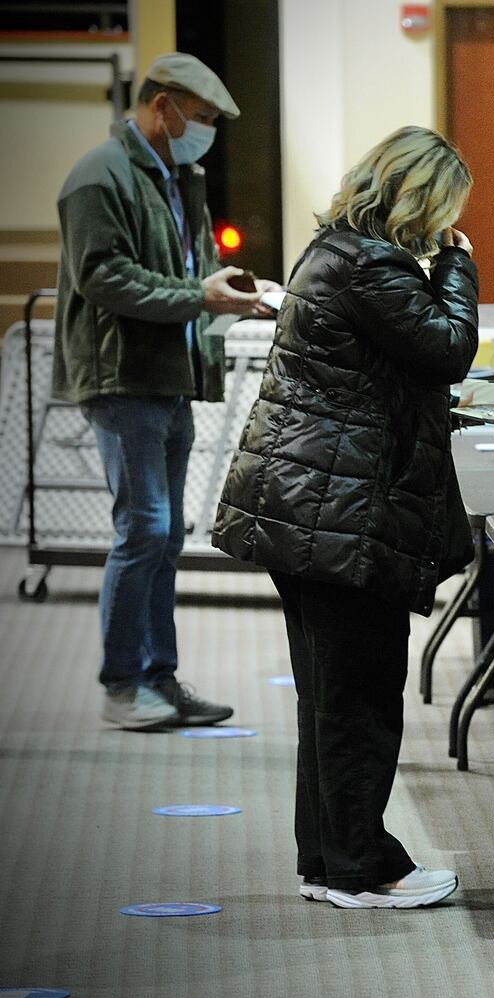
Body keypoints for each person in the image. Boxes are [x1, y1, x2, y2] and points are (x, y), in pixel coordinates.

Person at [212, 127, 478, 909]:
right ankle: (365, 867)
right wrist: (460, 265)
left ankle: (330, 860)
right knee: (359, 697)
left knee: (331, 694)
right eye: (447, 210)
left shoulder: (333, 250)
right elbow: (447, 349)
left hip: (309, 503)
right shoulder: (372, 264)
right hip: (341, 510)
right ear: (422, 199)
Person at [53, 52, 274, 732]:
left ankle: (159, 679)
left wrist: (227, 289)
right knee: (143, 528)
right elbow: (103, 278)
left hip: (167, 375)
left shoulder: (179, 176)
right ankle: (124, 686)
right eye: (201, 119)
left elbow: (190, 264)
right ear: (164, 106)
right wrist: (197, 296)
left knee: (164, 535)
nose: (205, 131)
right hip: (123, 376)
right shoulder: (98, 176)